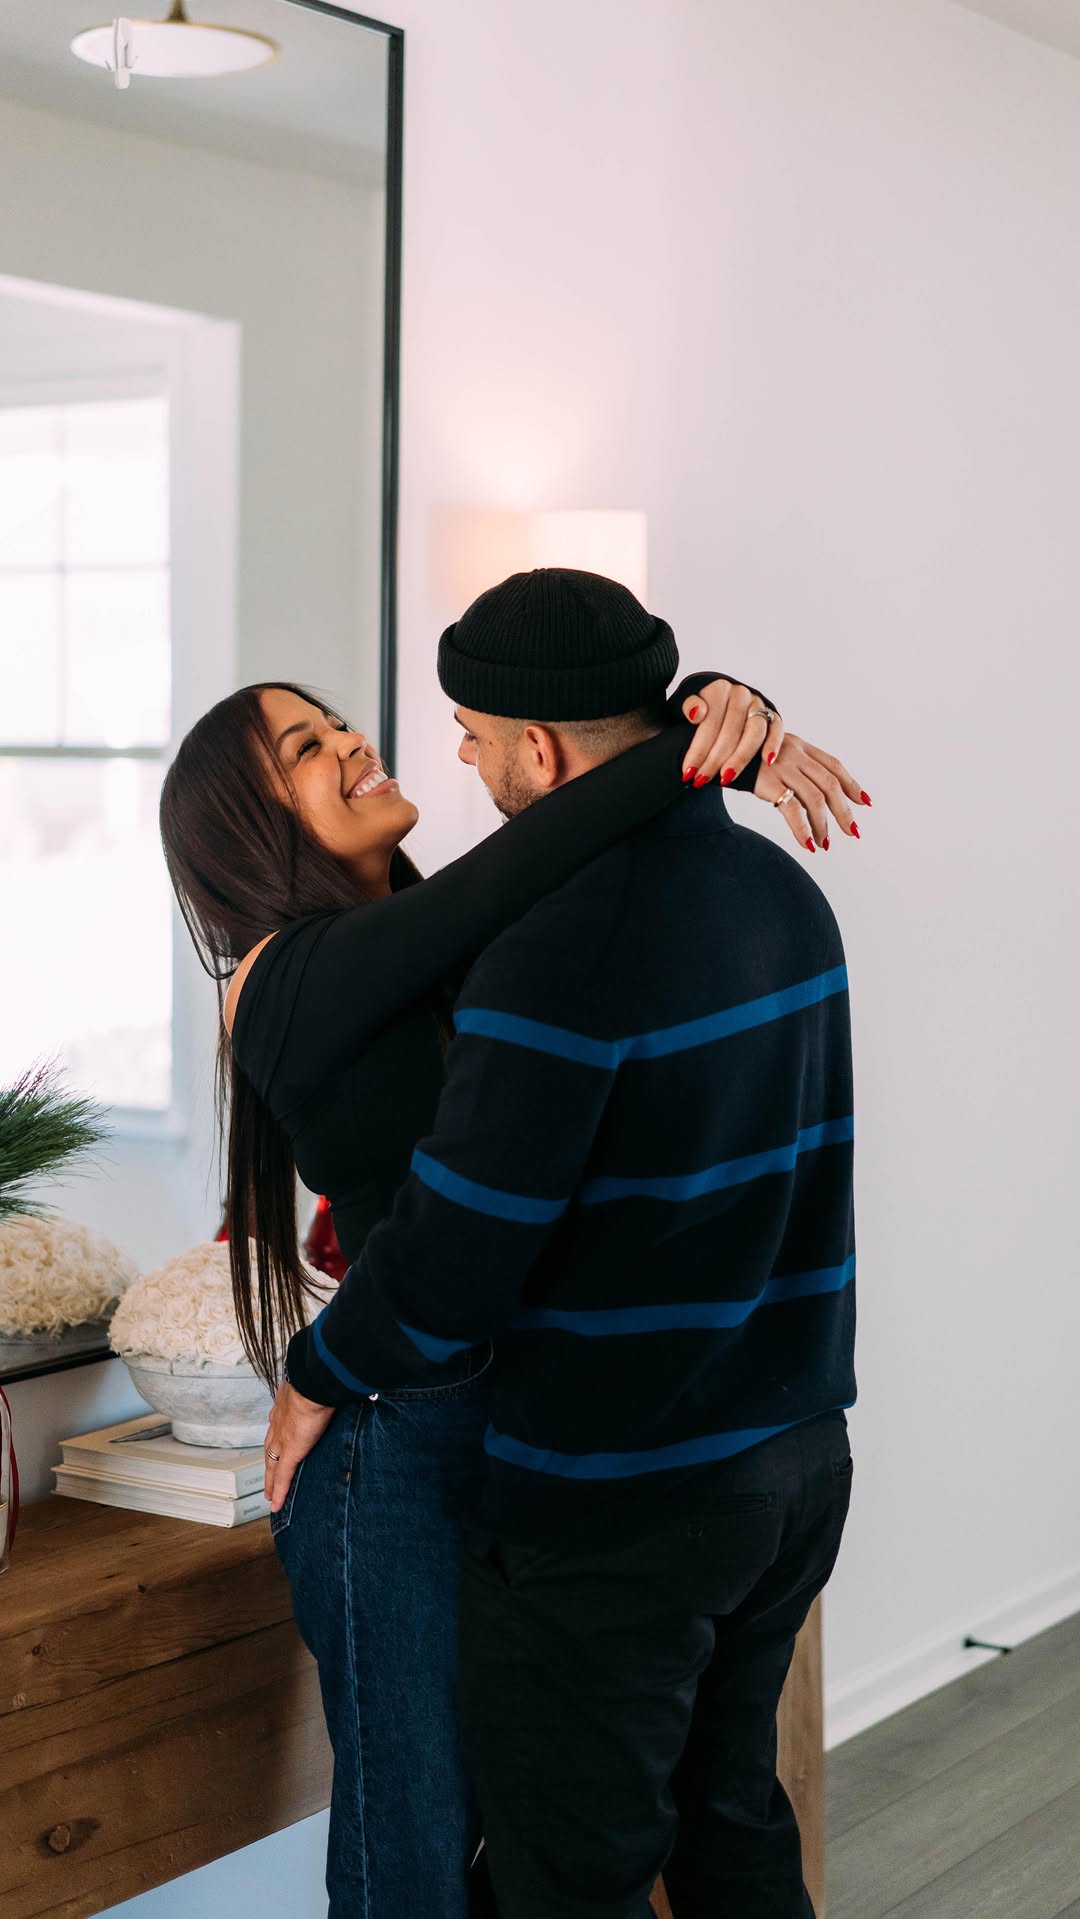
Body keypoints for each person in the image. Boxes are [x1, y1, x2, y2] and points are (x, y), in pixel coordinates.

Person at [162, 569, 866, 1919]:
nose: (359, 740)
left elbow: (549, 861)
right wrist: (696, 731)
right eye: (306, 749)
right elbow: (548, 846)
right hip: (391, 1425)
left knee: (534, 1843)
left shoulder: (476, 932)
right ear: (250, 826)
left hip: (507, 1411)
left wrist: (696, 722)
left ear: (533, 749)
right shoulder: (280, 977)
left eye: (335, 720)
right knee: (419, 1841)